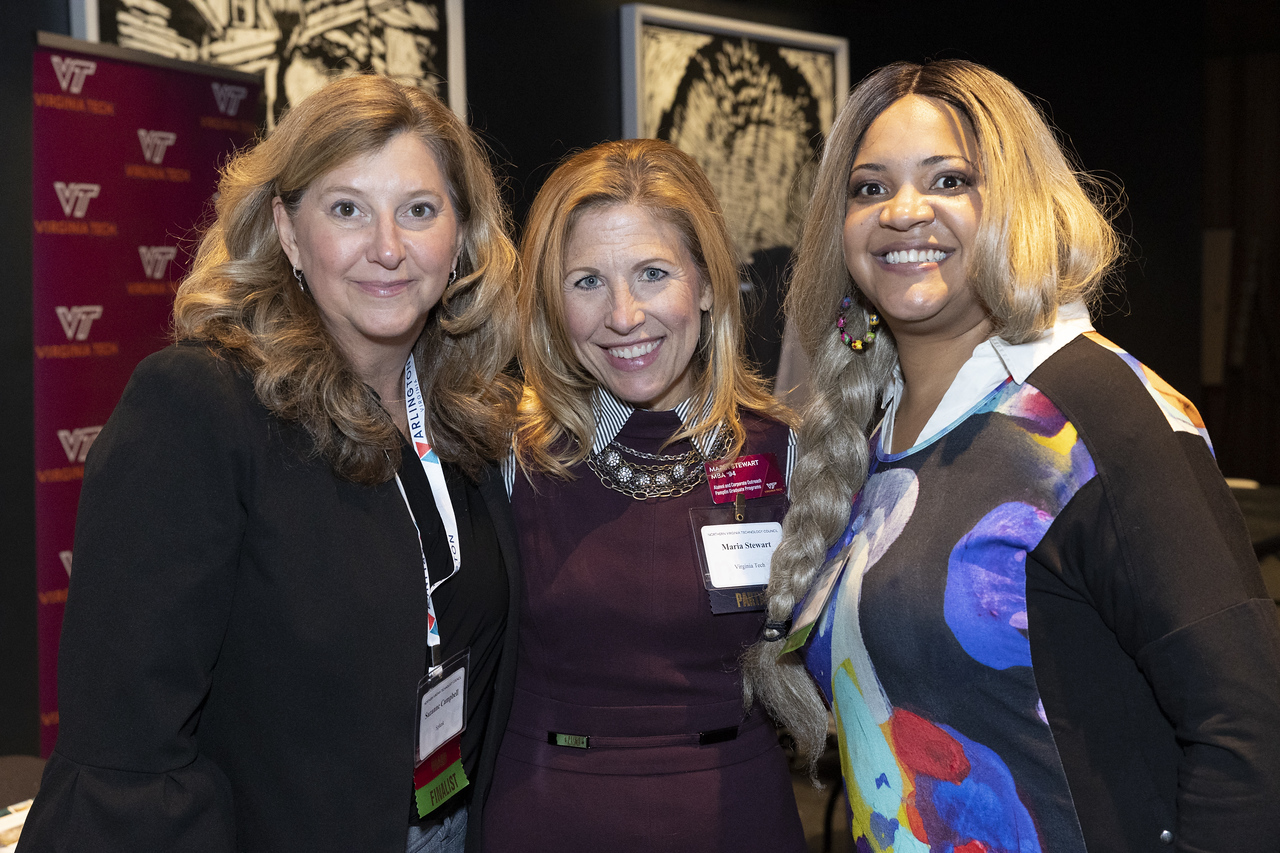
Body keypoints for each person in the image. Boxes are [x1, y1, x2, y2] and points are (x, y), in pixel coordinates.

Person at [745, 60, 1280, 852]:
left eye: (950, 179)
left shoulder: (1101, 413)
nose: (903, 211)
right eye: (869, 188)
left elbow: (1249, 732)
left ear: (1019, 205)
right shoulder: (866, 435)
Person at [21, 74, 522, 853]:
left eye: (419, 210)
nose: (387, 247)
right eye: (346, 208)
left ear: (458, 237)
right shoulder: (201, 407)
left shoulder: (470, 414)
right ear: (289, 231)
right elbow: (130, 747)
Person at [481, 139, 806, 852]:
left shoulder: (789, 454)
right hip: (546, 818)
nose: (623, 315)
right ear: (550, 301)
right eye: (587, 282)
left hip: (738, 818)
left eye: (652, 273)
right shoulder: (504, 455)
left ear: (709, 285)